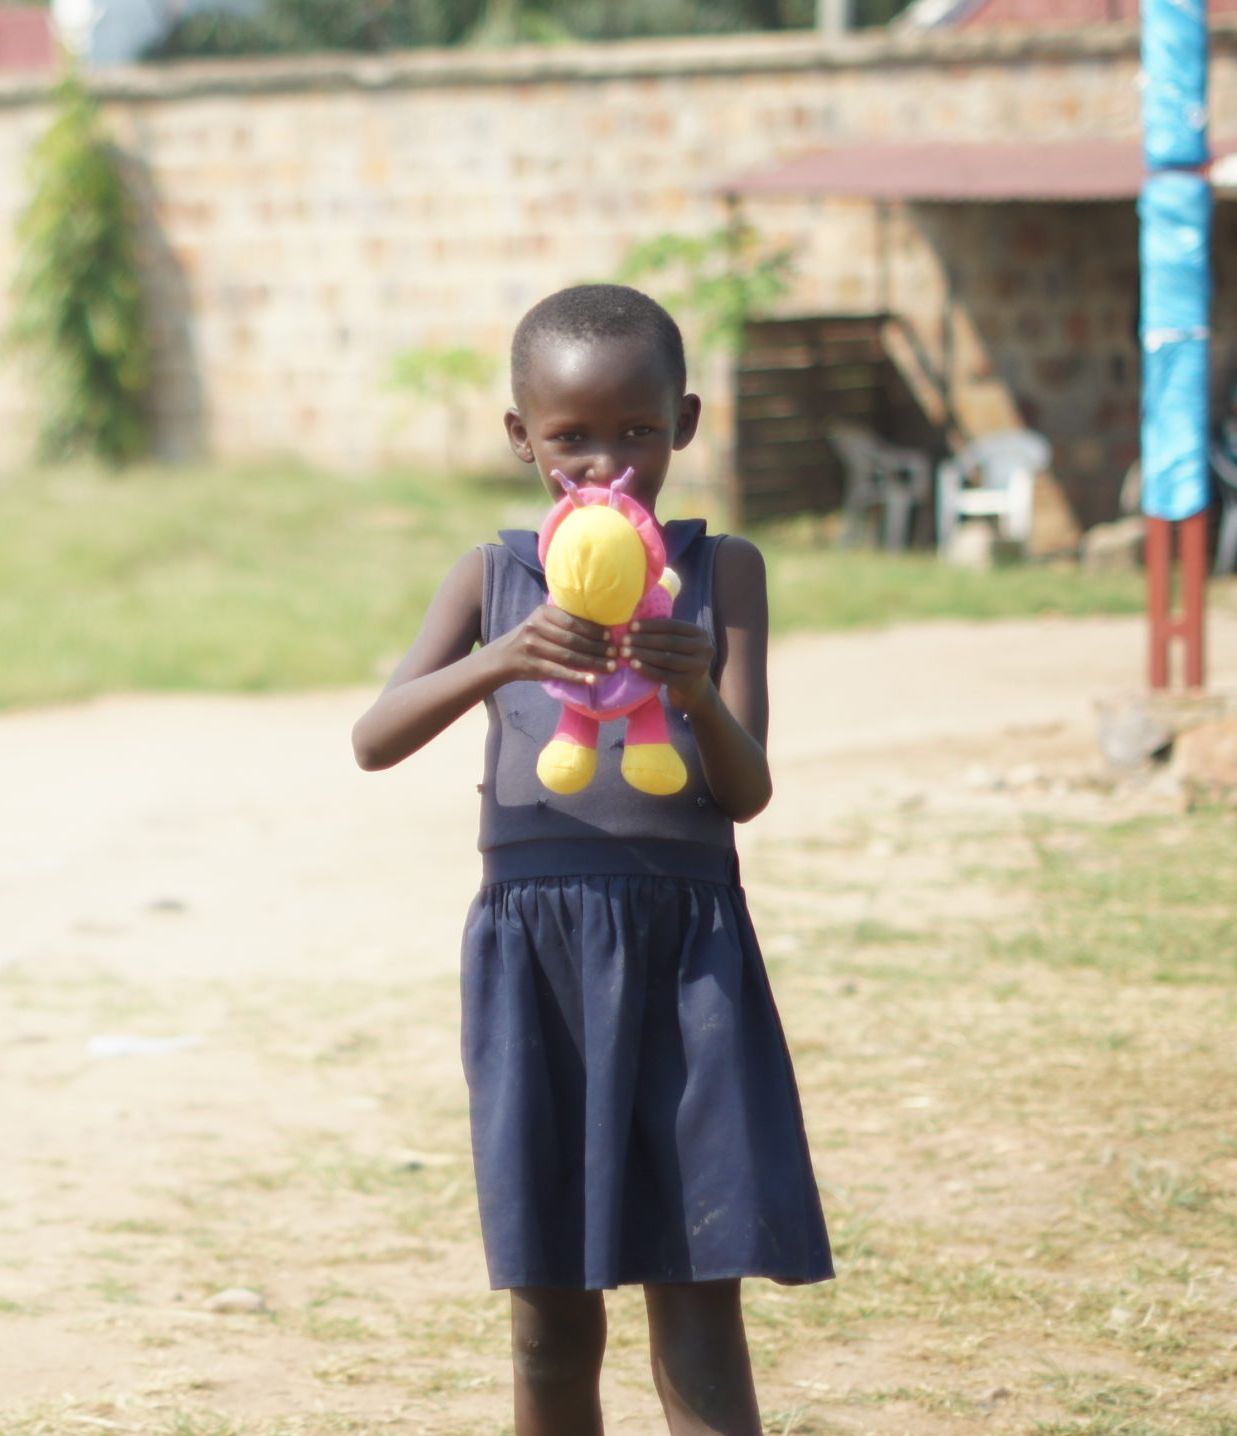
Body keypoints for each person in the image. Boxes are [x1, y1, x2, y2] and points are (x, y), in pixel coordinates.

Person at [350, 284, 831, 1436]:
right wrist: (501, 659)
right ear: (521, 436)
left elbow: (746, 788)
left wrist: (689, 689)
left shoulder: (727, 574)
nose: (606, 464)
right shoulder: (494, 575)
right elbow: (374, 736)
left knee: (698, 1297)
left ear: (687, 422)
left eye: (637, 432)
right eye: (570, 437)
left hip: (687, 962)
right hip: (537, 968)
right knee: (549, 1322)